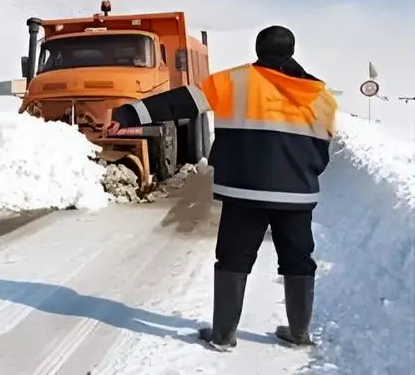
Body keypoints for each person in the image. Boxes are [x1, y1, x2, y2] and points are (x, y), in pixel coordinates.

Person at [109, 25, 337, 352]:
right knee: (299, 261)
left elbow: (180, 102)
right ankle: (299, 334)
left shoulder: (235, 81)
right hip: (298, 195)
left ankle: (223, 336)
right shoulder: (321, 95)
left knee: (233, 259)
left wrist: (129, 112)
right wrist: (304, 174)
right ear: (291, 51)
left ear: (259, 50)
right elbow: (321, 147)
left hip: (245, 192)